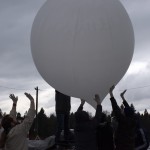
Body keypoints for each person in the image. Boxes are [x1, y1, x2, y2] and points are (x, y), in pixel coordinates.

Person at [109, 85, 136, 150]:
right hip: (130, 147)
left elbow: (115, 108)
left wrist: (111, 93)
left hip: (122, 147)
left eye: (123, 111)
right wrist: (123, 98)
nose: (122, 111)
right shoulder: (133, 120)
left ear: (126, 113)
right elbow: (129, 110)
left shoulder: (123, 121)